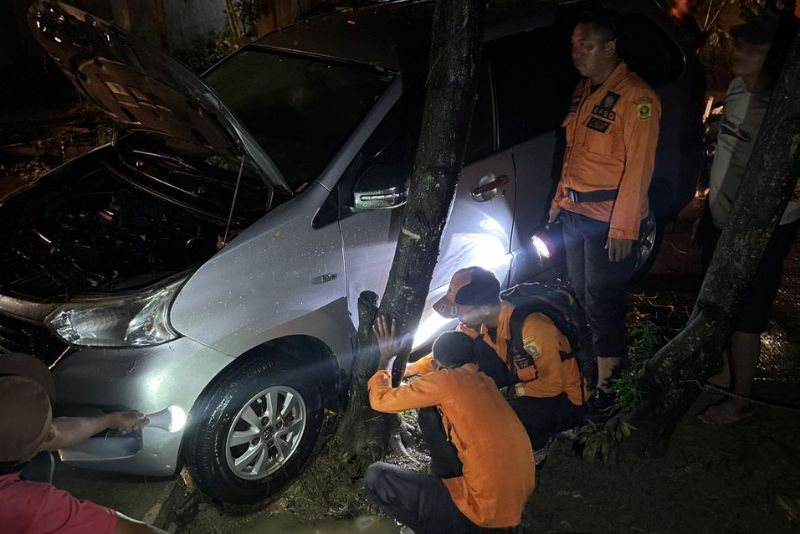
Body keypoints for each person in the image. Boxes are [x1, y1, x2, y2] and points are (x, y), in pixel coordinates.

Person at [548, 9, 661, 418]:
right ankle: (594, 370)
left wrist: (624, 226)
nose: (577, 52)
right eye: (574, 45)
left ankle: (610, 389)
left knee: (603, 302)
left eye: (587, 45)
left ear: (610, 47)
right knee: (581, 294)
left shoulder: (637, 98)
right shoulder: (585, 91)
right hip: (577, 216)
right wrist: (558, 203)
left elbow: (639, 168)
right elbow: (574, 157)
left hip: (609, 220)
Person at [697, 10, 800, 425]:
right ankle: (725, 372)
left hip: (765, 228)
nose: (739, 53)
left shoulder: (788, 109)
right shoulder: (739, 90)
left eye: (752, 49)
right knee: (715, 299)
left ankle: (741, 399)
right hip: (721, 214)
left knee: (747, 313)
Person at [364, 324, 534, 533]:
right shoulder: (485, 381)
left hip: (482, 515)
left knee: (377, 476)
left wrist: (386, 358)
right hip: (514, 503)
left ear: (436, 365)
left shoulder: (445, 382)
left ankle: (433, 527)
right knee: (430, 415)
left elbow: (379, 400)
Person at [425, 266, 586, 454]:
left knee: (503, 422)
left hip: (565, 397)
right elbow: (449, 351)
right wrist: (413, 369)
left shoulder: (533, 328)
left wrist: (512, 392)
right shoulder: (483, 320)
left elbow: (554, 384)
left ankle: (540, 443)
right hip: (523, 377)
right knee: (469, 358)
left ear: (484, 309)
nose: (459, 317)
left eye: (461, 311)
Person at [0, 374, 166, 533]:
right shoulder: (26, 505)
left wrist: (109, 420)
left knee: (41, 462)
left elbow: (53, 433)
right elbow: (130, 531)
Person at [0, 352, 147, 483]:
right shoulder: (38, 505)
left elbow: (58, 433)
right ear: (48, 436)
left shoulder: (10, 441)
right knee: (40, 465)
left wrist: (110, 420)